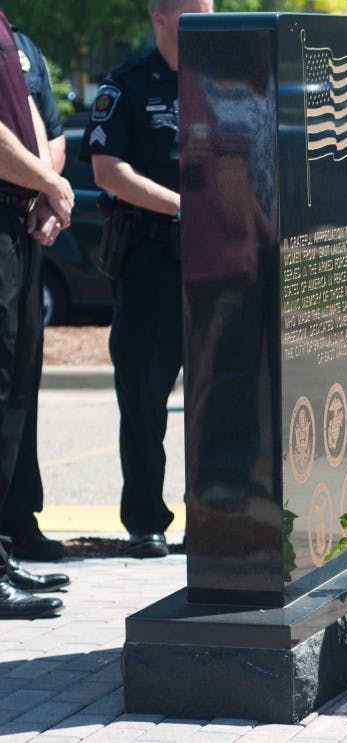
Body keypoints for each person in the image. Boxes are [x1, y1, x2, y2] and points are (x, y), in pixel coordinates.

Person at [80, 0, 213, 558]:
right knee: (144, 399)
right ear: (161, 18)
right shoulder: (128, 85)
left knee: (218, 400)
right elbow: (107, 170)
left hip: (219, 265)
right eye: (193, 16)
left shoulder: (229, 81)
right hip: (152, 265)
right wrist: (184, 205)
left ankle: (215, 519)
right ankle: (145, 519)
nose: (205, 27)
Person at [0, 8, 75, 617]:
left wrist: (46, 189)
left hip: (21, 218)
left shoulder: (17, 39)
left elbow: (46, 128)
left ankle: (3, 550)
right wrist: (49, 185)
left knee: (15, 391)